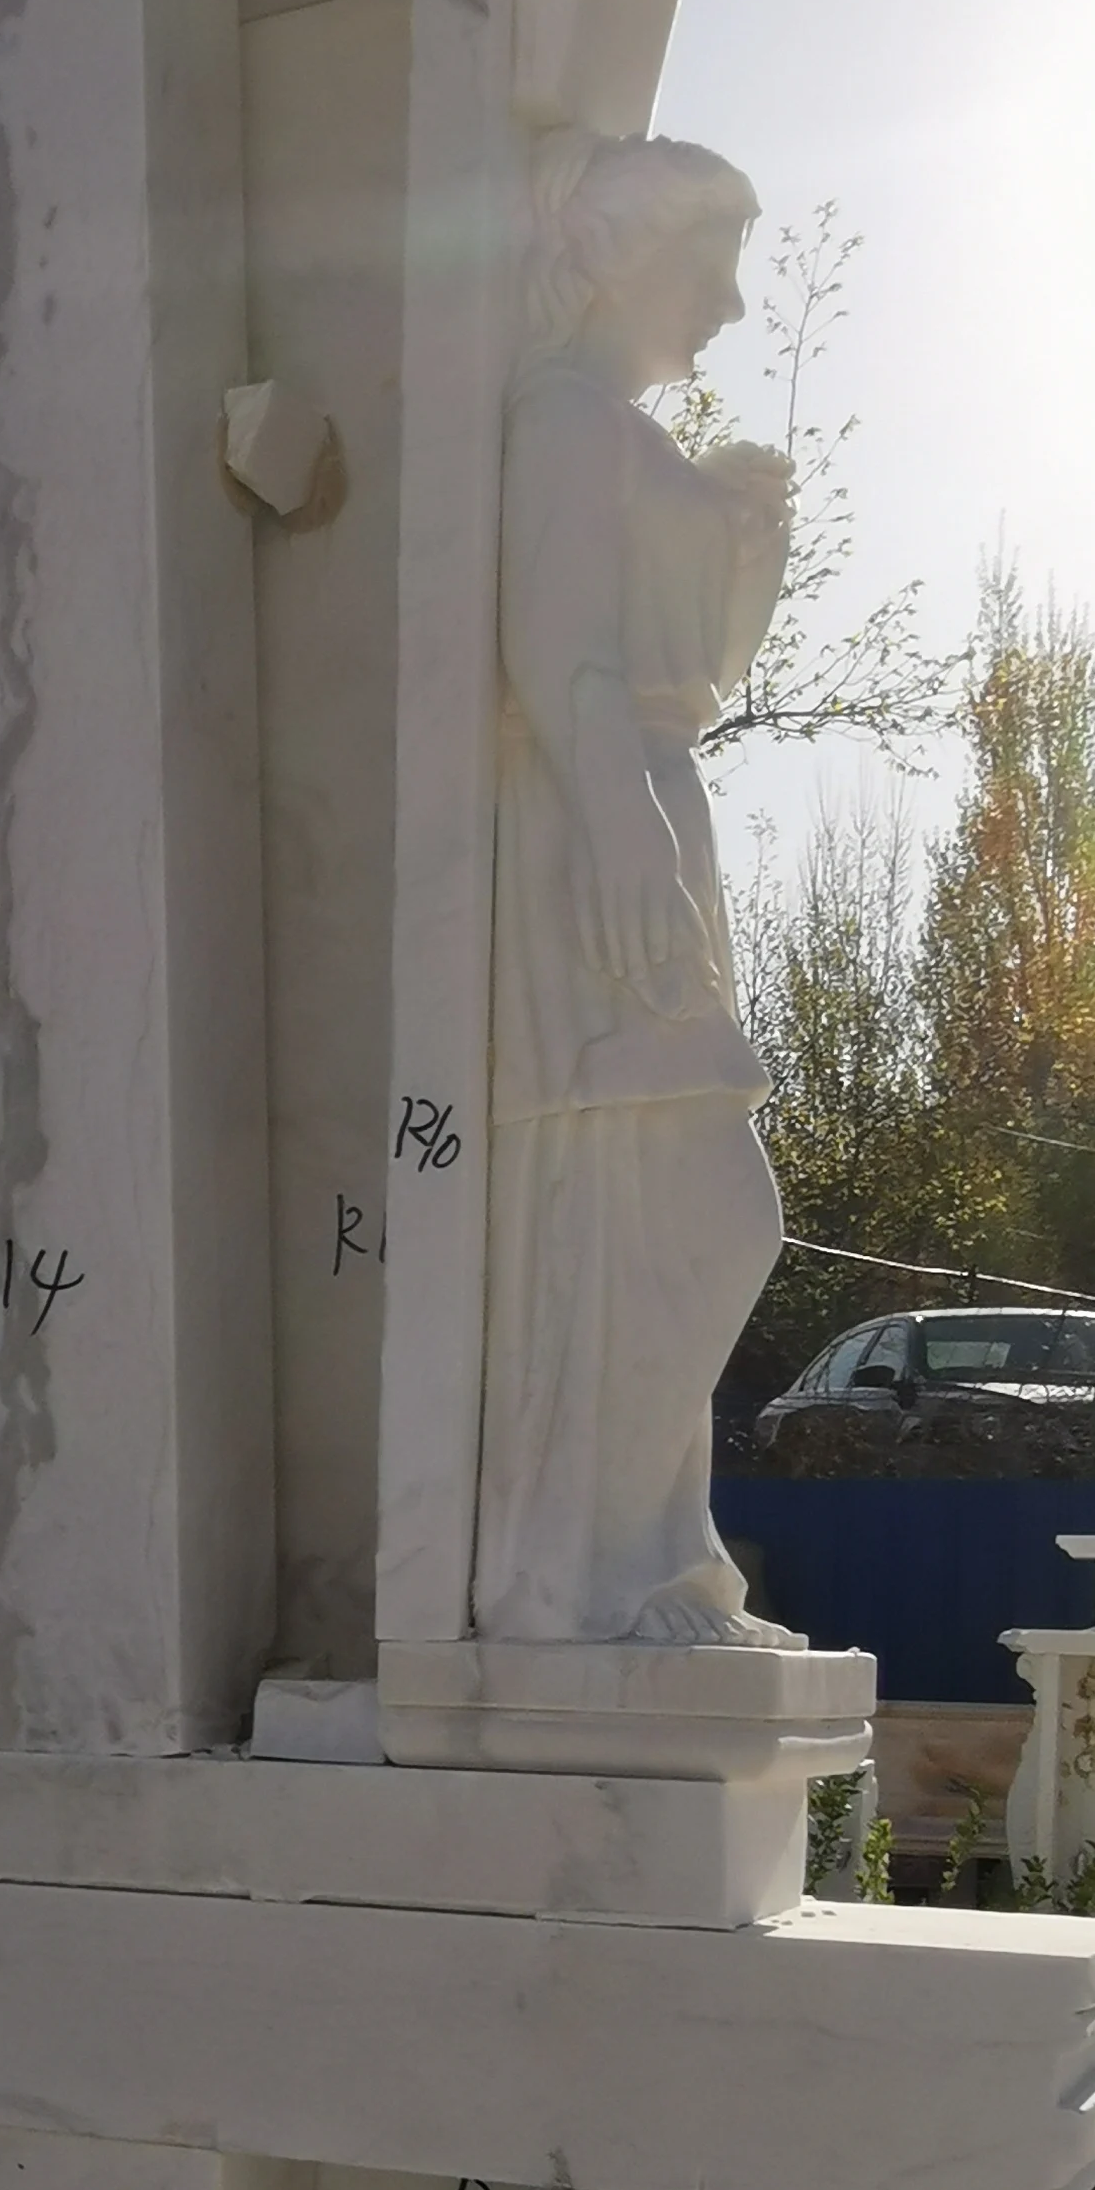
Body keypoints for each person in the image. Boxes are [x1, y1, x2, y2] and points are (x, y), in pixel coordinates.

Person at [473, 129, 799, 1647]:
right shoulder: (562, 419)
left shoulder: (615, 427)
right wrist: (617, 828)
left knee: (665, 1207)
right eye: (711, 265)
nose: (728, 305)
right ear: (622, 255)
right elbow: (555, 653)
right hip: (606, 815)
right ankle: (583, 1572)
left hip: (657, 799)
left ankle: (654, 1554)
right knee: (687, 1208)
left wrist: (744, 544)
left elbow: (709, 678)